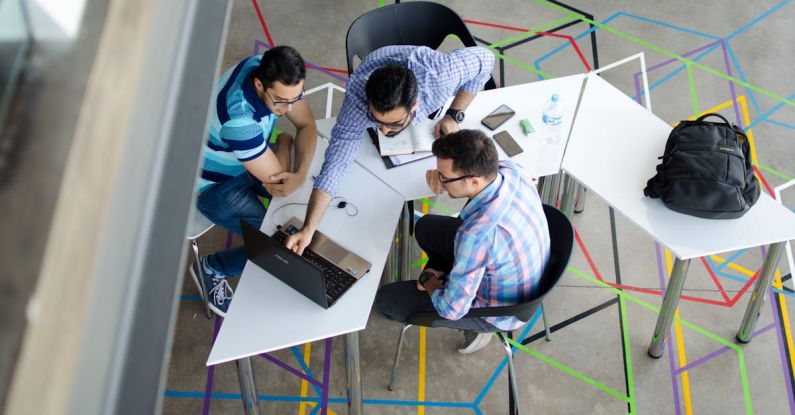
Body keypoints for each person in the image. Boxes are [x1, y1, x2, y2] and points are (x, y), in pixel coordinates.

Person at [283, 45, 495, 255]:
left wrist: (454, 113)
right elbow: (335, 164)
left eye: (393, 124)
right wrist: (308, 229)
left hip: (425, 71)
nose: (383, 131)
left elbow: (486, 59)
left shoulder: (440, 76)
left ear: (415, 106)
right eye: (376, 120)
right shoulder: (358, 98)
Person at [373, 130, 551, 354]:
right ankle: (452, 275)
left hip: (498, 310)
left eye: (444, 178)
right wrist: (442, 174)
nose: (440, 181)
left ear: (474, 181)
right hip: (520, 269)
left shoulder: (476, 236)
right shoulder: (511, 170)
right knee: (426, 227)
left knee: (386, 300)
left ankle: (477, 331)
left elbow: (451, 309)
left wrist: (430, 281)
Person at [191, 45, 317, 317]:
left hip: (246, 159)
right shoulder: (239, 121)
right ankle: (213, 267)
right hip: (214, 186)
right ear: (259, 85)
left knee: (299, 206)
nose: (288, 108)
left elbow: (307, 125)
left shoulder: (267, 66)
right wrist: (284, 142)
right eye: (281, 101)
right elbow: (281, 184)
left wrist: (301, 173)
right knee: (273, 241)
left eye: (296, 99)